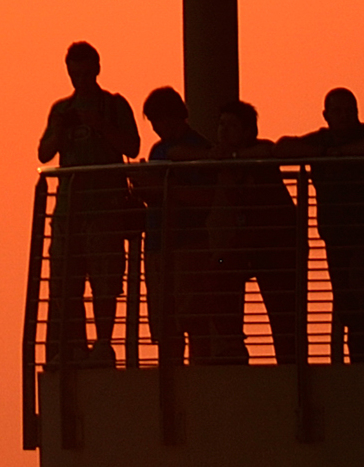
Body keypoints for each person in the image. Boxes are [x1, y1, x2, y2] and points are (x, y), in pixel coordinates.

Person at [38, 42, 142, 365]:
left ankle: (103, 344)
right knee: (65, 281)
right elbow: (43, 153)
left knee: (105, 280)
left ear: (97, 68)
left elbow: (133, 146)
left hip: (106, 208)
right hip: (69, 209)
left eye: (85, 72)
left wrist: (99, 125)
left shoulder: (114, 105)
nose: (80, 78)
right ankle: (74, 347)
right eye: (74, 73)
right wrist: (61, 132)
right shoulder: (61, 110)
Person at [284, 88, 364, 362]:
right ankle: (358, 355)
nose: (346, 116)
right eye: (339, 111)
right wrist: (325, 152)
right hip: (337, 236)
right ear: (326, 115)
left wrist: (338, 154)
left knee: (359, 281)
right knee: (345, 295)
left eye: (350, 110)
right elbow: (283, 147)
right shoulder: (321, 140)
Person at [133, 86, 228, 364]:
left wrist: (163, 187)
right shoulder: (158, 150)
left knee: (193, 317)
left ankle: (197, 371)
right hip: (158, 243)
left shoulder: (198, 148)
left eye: (158, 121)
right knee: (164, 321)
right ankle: (170, 371)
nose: (156, 129)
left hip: (188, 244)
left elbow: (202, 199)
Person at [214, 101, 306, 366]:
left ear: (247, 130)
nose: (224, 132)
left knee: (283, 312)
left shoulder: (258, 152)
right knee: (217, 271)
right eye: (221, 125)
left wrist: (229, 158)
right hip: (250, 245)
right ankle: (232, 346)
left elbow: (268, 151)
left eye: (231, 126)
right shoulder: (224, 160)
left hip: (279, 248)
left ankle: (291, 367)